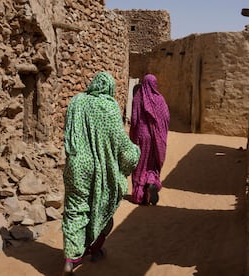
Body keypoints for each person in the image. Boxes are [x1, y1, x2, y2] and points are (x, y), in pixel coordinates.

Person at [62, 72, 140, 275]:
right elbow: (121, 143)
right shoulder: (110, 106)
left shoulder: (76, 102)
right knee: (101, 207)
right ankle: (94, 249)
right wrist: (134, 155)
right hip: (99, 169)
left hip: (76, 165)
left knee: (75, 210)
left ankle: (70, 260)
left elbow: (70, 134)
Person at [129, 74, 170, 206]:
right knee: (152, 165)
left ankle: (140, 195)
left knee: (141, 165)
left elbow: (134, 119)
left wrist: (133, 135)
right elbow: (166, 118)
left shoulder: (138, 98)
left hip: (142, 137)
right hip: (155, 139)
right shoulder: (160, 99)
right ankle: (151, 182)